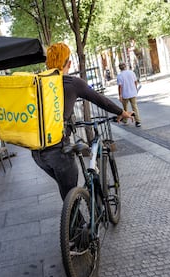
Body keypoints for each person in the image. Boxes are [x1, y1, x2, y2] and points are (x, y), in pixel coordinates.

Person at [31, 42, 135, 200]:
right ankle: (77, 224)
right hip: (57, 149)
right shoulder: (72, 82)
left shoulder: (37, 83)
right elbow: (100, 100)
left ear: (48, 63)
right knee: (70, 193)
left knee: (66, 190)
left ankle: (74, 221)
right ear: (69, 62)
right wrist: (122, 112)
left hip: (37, 151)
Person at [117, 62, 142, 127]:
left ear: (119, 68)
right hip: (133, 93)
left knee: (125, 108)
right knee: (135, 107)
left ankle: (125, 120)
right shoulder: (131, 73)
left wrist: (120, 95)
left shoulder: (120, 76)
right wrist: (135, 89)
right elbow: (135, 82)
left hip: (125, 94)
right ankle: (138, 121)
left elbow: (120, 86)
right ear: (125, 66)